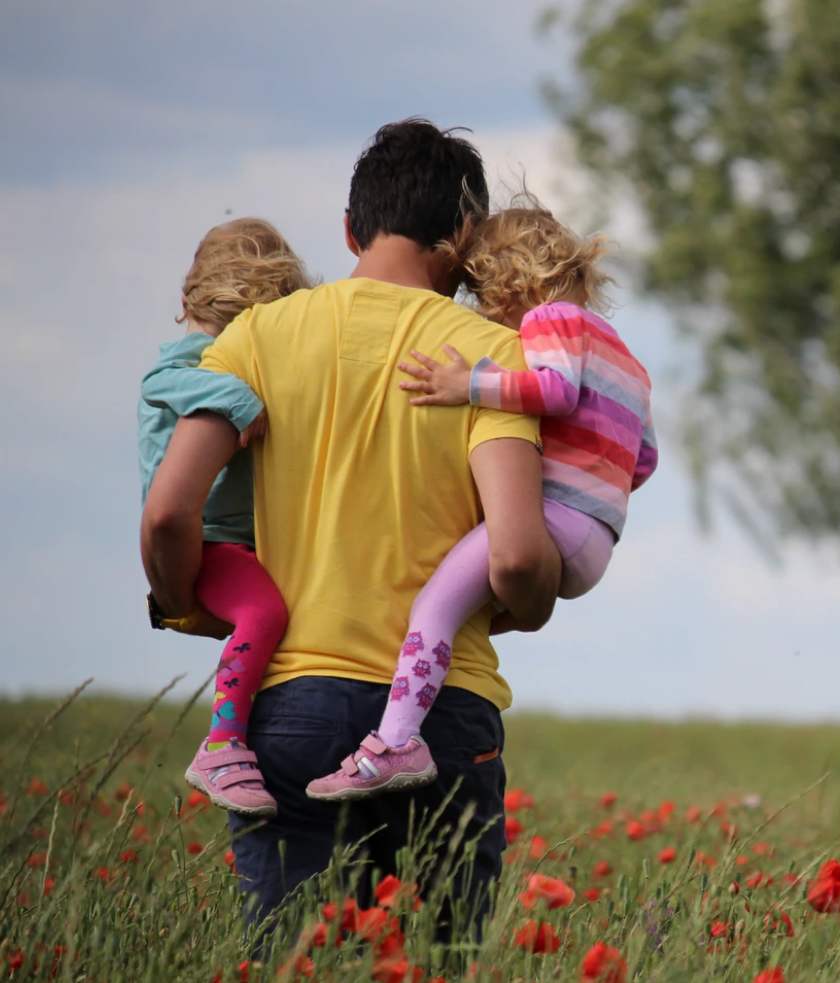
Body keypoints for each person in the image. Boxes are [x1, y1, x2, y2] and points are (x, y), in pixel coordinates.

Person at [140, 118, 561, 927]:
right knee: (438, 961)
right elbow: (513, 556)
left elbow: (167, 511)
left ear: (348, 228)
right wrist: (532, 602)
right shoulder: (490, 357)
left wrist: (188, 601)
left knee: (298, 956)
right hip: (442, 714)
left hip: (290, 704)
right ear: (464, 235)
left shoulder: (254, 338)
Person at [306, 203, 658, 800]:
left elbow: (554, 390)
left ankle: (395, 742)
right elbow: (643, 460)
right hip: (598, 537)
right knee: (465, 609)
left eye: (483, 293)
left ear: (510, 280)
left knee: (433, 608)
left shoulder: (551, 320)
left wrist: (465, 384)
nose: (487, 312)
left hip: (555, 519)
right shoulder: (628, 359)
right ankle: (414, 713)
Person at [138, 218, 309, 817]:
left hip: (238, 541)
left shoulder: (227, 354)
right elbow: (161, 380)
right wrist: (239, 400)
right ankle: (223, 744)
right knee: (264, 612)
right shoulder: (195, 359)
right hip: (209, 541)